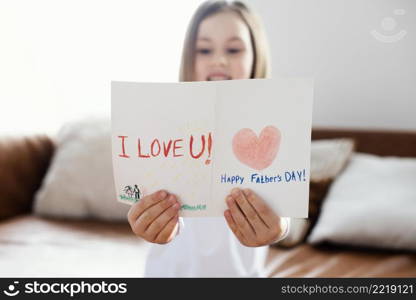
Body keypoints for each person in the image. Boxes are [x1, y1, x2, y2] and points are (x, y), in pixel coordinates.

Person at [127, 0, 290, 277]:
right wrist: (144, 217)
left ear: (255, 57)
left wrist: (280, 227)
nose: (219, 60)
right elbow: (140, 195)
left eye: (233, 49)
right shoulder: (164, 124)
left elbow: (287, 205)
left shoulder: (274, 131)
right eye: (204, 49)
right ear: (188, 58)